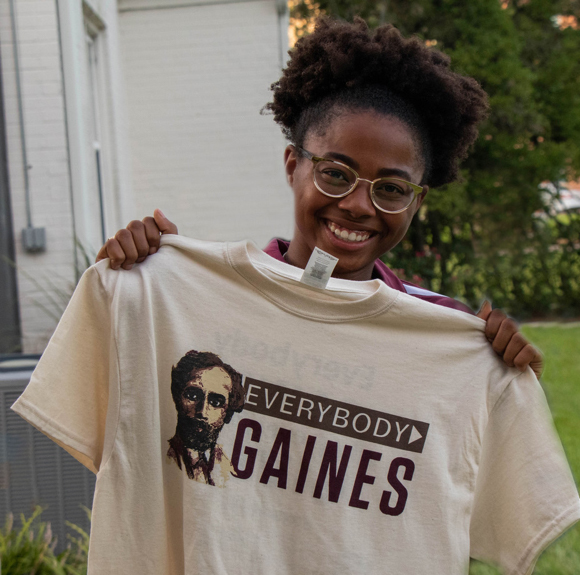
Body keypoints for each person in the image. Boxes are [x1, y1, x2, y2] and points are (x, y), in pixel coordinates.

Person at [95, 17, 545, 379]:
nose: (357, 205)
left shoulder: (443, 333)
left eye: (390, 189)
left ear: (417, 202)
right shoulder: (202, 302)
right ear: (293, 165)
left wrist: (510, 385)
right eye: (335, 174)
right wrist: (138, 284)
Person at [167, 350, 245, 486]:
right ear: (177, 398)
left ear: (228, 415)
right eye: (193, 396)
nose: (202, 411)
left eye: (215, 403)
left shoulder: (227, 469)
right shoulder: (165, 456)